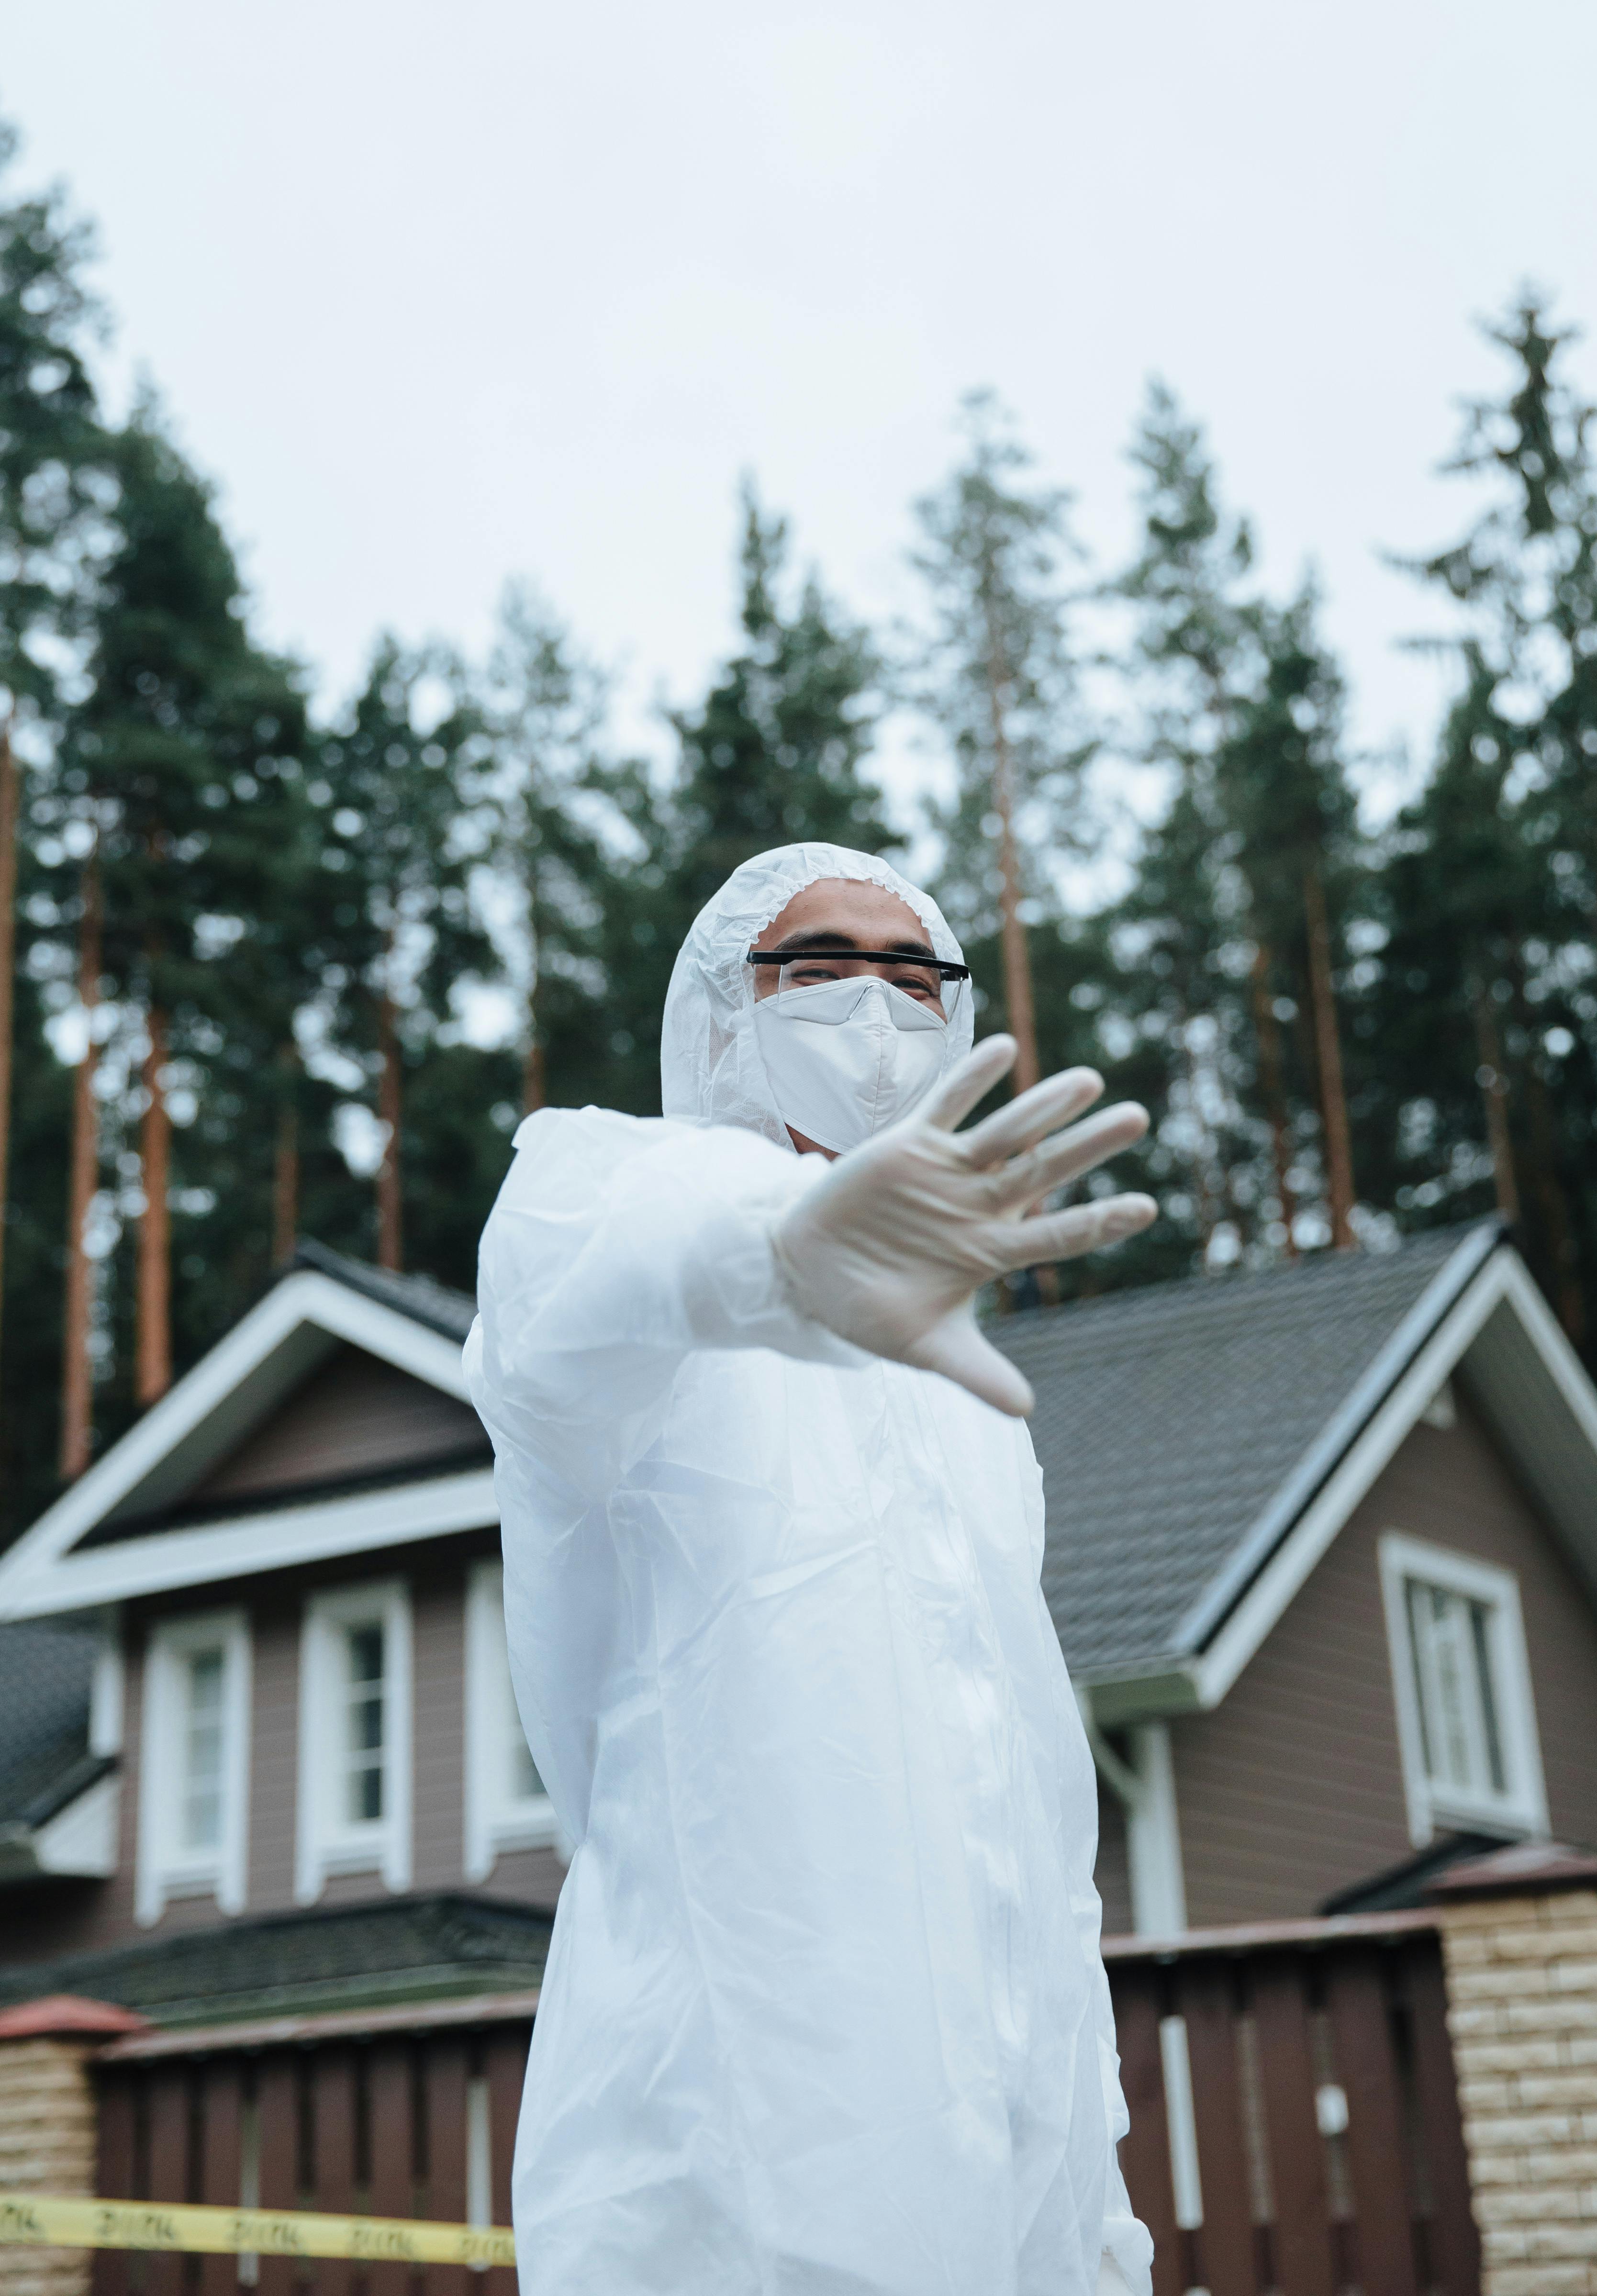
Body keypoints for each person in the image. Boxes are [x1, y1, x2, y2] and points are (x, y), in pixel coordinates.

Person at [463, 841, 1159, 2295]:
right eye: (818, 968)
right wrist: (770, 1257)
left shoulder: (971, 1400)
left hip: (1014, 2151)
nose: (871, 1010)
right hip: (730, 2152)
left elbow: (1032, 1815)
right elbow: (580, 1321)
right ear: (726, 1005)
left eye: (912, 977)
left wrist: (1094, 2199)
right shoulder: (611, 1197)